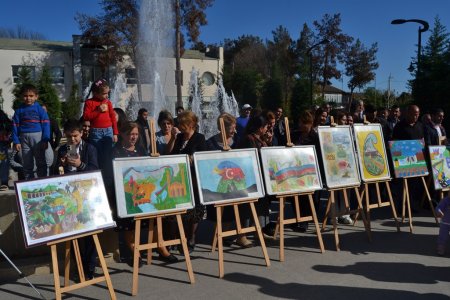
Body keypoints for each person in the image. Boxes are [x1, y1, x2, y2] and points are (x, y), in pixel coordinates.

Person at [113, 122, 177, 264]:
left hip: (144, 193)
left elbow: (147, 171)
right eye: (130, 134)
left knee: (153, 219)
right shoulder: (116, 151)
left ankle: (161, 247)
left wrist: (154, 161)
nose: (133, 137)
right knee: (128, 223)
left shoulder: (141, 149)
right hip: (126, 194)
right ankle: (134, 251)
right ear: (123, 134)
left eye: (135, 134)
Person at [55, 119, 99, 279]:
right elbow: (55, 172)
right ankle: (78, 266)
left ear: (81, 133)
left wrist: (80, 164)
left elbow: (95, 170)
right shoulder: (62, 150)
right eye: (69, 136)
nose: (72, 139)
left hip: (86, 196)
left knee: (89, 234)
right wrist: (61, 165)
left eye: (75, 136)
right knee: (73, 234)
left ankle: (90, 268)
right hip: (70, 197)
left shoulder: (90, 148)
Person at [169, 111, 208, 252]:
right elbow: (170, 154)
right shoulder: (178, 137)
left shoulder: (200, 138)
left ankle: (191, 237)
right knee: (181, 209)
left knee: (195, 210)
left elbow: (202, 157)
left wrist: (192, 158)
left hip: (193, 178)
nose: (179, 125)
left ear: (191, 124)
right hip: (179, 179)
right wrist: (172, 139)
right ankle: (179, 237)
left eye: (181, 123)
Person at [11, 84, 53, 179]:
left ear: (36, 96)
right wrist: (16, 141)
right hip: (24, 138)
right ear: (22, 96)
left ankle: (43, 180)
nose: (28, 98)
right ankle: (29, 182)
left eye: (31, 96)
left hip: (38, 138)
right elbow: (15, 126)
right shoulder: (19, 110)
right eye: (25, 96)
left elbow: (46, 124)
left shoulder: (40, 109)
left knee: (41, 161)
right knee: (27, 162)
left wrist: (45, 139)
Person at [82, 79, 118, 180]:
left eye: (108, 93)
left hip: (108, 131)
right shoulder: (89, 102)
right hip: (96, 132)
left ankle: (109, 176)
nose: (106, 96)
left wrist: (115, 133)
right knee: (97, 155)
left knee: (108, 155)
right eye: (104, 94)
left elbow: (113, 118)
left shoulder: (108, 102)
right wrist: (98, 110)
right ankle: (98, 176)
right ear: (95, 93)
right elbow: (86, 117)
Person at [0, 109, 11, 190]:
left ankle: (4, 182)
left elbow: (9, 126)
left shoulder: (1, 114)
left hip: (1, 143)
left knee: (3, 162)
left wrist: (5, 133)